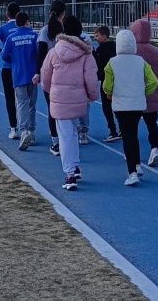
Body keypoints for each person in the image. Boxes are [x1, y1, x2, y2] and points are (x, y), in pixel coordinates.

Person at [41, 15, 99, 191]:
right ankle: (74, 165)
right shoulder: (86, 54)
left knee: (65, 135)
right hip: (77, 99)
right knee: (72, 132)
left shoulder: (54, 52)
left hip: (60, 99)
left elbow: (45, 76)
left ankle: (69, 173)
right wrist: (92, 96)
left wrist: (53, 92)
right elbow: (91, 78)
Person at [35, 0, 94, 154]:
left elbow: (42, 53)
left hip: (54, 73)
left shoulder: (45, 31)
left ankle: (56, 142)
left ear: (50, 12)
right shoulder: (69, 29)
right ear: (63, 14)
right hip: (71, 73)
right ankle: (79, 135)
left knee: (53, 109)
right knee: (75, 106)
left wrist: (38, 74)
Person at [104, 30, 158, 186]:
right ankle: (137, 166)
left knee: (127, 137)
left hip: (120, 105)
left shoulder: (112, 63)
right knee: (133, 135)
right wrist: (143, 92)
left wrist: (109, 93)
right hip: (137, 104)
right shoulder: (141, 61)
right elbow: (153, 81)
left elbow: (107, 85)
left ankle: (132, 173)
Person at [1, 12, 39, 151]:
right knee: (32, 104)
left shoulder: (11, 38)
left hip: (18, 75)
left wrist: (15, 61)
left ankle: (23, 132)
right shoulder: (34, 36)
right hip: (33, 75)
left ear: (16, 24)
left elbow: (4, 56)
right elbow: (39, 53)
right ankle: (32, 132)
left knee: (21, 104)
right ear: (27, 22)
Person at [129, 19, 158, 167]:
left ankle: (130, 152)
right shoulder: (155, 51)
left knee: (131, 124)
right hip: (151, 92)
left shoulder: (132, 50)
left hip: (135, 93)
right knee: (151, 123)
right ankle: (154, 149)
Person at [0, 2, 21, 139]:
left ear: (7, 15)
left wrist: (1, 51)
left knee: (10, 98)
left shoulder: (3, 28)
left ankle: (13, 128)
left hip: (7, 68)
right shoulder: (23, 27)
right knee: (25, 100)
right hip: (22, 68)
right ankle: (28, 129)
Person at [92, 25, 121, 142]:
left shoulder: (100, 50)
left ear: (104, 37)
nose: (95, 38)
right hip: (118, 80)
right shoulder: (116, 47)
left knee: (107, 107)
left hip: (106, 82)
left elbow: (98, 67)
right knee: (117, 106)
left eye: (97, 36)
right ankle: (121, 129)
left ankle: (113, 131)